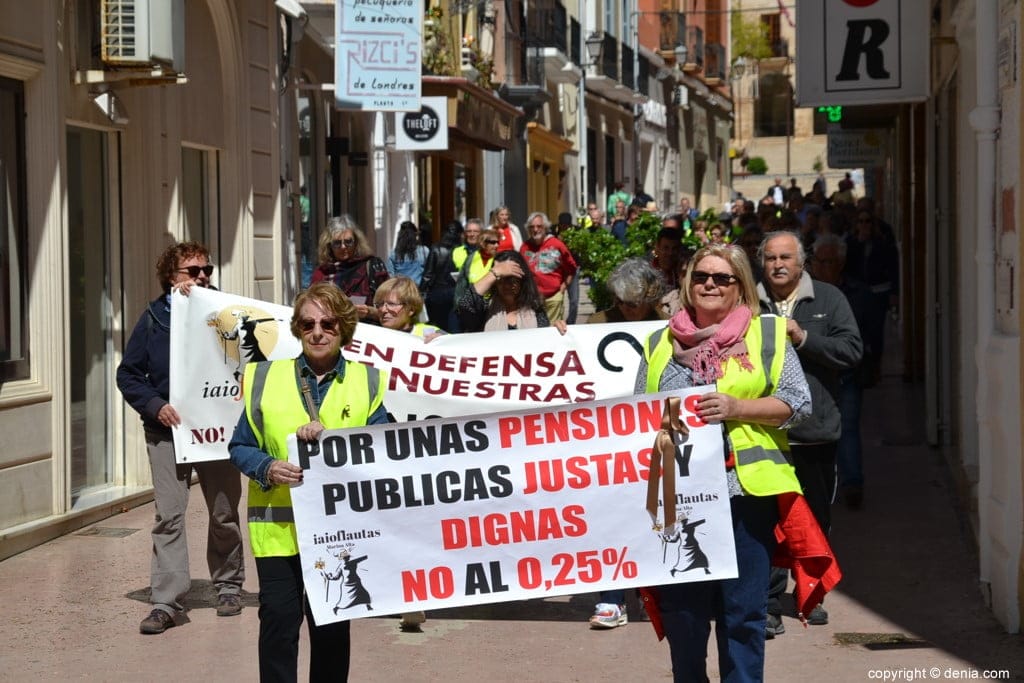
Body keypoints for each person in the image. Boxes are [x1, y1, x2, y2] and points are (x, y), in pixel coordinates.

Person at [636, 243, 811, 682]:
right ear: (687, 283)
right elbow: (636, 415)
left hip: (744, 496)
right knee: (684, 616)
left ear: (740, 287)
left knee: (743, 614)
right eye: (701, 277)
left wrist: (738, 407)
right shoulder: (659, 341)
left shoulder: (767, 333)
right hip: (680, 502)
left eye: (722, 278)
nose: (710, 284)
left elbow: (798, 403)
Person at [228, 282, 389, 682]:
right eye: (308, 324)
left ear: (343, 327)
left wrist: (336, 444)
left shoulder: (366, 383)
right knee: (279, 626)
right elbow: (240, 446)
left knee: (332, 629)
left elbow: (383, 449)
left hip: (338, 535)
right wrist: (266, 467)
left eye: (328, 323)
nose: (318, 332)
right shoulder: (265, 378)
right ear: (298, 330)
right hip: (278, 531)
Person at [116, 241, 245, 635]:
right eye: (193, 271)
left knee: (223, 512)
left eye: (207, 269)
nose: (203, 276)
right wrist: (155, 405)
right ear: (172, 278)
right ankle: (166, 601)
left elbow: (255, 355)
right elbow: (129, 375)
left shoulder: (227, 313)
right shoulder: (154, 318)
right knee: (169, 515)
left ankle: (228, 585)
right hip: (166, 432)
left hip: (216, 431)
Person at [757, 231, 863, 635]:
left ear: (802, 263)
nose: (778, 264)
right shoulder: (748, 301)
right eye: (770, 258)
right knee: (766, 519)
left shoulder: (830, 299)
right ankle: (767, 603)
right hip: (762, 431)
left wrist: (802, 337)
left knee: (814, 519)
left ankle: (811, 593)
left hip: (815, 430)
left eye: (786, 257)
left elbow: (851, 351)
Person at [809, 234, 871, 509]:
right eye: (818, 261)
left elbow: (862, 337)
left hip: (846, 375)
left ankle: (853, 483)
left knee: (847, 428)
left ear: (841, 262)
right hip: (814, 377)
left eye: (829, 261)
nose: (823, 267)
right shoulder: (805, 296)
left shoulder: (856, 293)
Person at [455, 250, 568, 334]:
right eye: (501, 279)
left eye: (512, 279)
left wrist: (554, 331)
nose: (507, 285)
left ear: (522, 280)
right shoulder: (485, 309)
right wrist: (495, 272)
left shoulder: (535, 309)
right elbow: (465, 304)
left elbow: (544, 340)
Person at [311, 216, 389, 323]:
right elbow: (311, 309)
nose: (343, 247)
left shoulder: (372, 266)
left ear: (356, 242)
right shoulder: (322, 274)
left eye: (348, 242)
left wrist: (369, 312)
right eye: (337, 243)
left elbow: (391, 310)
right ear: (329, 246)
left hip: (368, 333)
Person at [520, 211, 577, 323]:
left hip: (553, 298)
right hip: (532, 299)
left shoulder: (556, 244)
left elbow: (572, 268)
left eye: (539, 226)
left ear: (545, 227)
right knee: (534, 331)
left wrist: (563, 287)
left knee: (552, 332)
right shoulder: (524, 247)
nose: (535, 230)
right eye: (532, 227)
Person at [587, 258, 667, 325]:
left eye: (631, 304)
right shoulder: (597, 324)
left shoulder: (667, 325)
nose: (624, 308)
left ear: (649, 298)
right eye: (619, 301)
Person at [420, 221, 462, 331]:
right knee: (453, 324)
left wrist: (421, 292)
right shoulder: (461, 250)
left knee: (438, 324)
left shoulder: (436, 248)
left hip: (437, 292)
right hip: (455, 291)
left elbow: (428, 274)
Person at [374, 276, 445, 340]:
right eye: (379, 304)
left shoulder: (431, 333)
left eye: (391, 304)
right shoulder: (372, 336)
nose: (383, 310)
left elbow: (454, 345)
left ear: (411, 310)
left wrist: (443, 341)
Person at [386, 221, 429, 286]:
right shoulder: (424, 251)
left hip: (401, 291)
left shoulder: (393, 254)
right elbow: (429, 272)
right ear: (415, 235)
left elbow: (390, 276)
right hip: (419, 291)